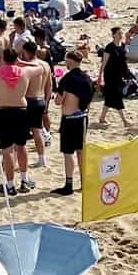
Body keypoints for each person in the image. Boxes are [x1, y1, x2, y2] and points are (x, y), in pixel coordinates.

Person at [0, 46, 33, 196]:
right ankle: (24, 179)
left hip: (2, 112)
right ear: (16, 59)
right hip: (21, 111)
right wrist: (22, 63)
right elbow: (40, 67)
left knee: (6, 151)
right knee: (21, 147)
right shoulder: (25, 72)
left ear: (3, 58)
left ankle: (10, 185)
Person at [51, 49, 93, 196]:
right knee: (81, 152)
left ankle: (69, 184)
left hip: (69, 119)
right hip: (82, 118)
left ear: (70, 61)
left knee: (68, 153)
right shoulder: (87, 78)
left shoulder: (67, 79)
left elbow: (58, 101)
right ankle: (84, 183)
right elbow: (88, 101)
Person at [19, 41, 52, 168]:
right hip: (41, 99)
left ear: (26, 52)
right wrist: (47, 103)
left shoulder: (27, 67)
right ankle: (42, 159)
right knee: (37, 130)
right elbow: (49, 86)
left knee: (21, 133)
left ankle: (18, 160)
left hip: (29, 100)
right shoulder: (45, 65)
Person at [96, 25, 128, 129]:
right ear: (114, 35)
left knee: (110, 98)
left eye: (121, 33)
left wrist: (126, 74)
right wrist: (100, 77)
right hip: (110, 75)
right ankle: (125, 121)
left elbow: (123, 61)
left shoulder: (122, 46)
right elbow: (103, 63)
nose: (121, 35)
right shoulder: (109, 47)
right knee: (117, 97)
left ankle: (102, 118)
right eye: (119, 33)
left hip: (118, 75)